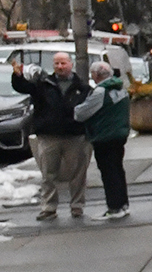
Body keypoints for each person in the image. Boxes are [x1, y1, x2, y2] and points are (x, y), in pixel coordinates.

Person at [11, 52, 92, 219]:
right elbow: (23, 87)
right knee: (48, 175)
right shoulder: (43, 84)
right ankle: (49, 208)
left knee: (78, 175)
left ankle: (77, 206)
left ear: (71, 64)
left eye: (63, 63)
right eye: (56, 64)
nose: (60, 67)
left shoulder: (82, 87)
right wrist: (17, 76)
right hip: (49, 136)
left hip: (75, 136)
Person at [74, 60, 133, 219]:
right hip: (119, 134)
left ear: (96, 75)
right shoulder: (121, 88)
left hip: (104, 135)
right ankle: (123, 204)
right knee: (117, 170)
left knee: (108, 172)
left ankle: (114, 207)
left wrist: (75, 108)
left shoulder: (100, 91)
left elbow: (81, 113)